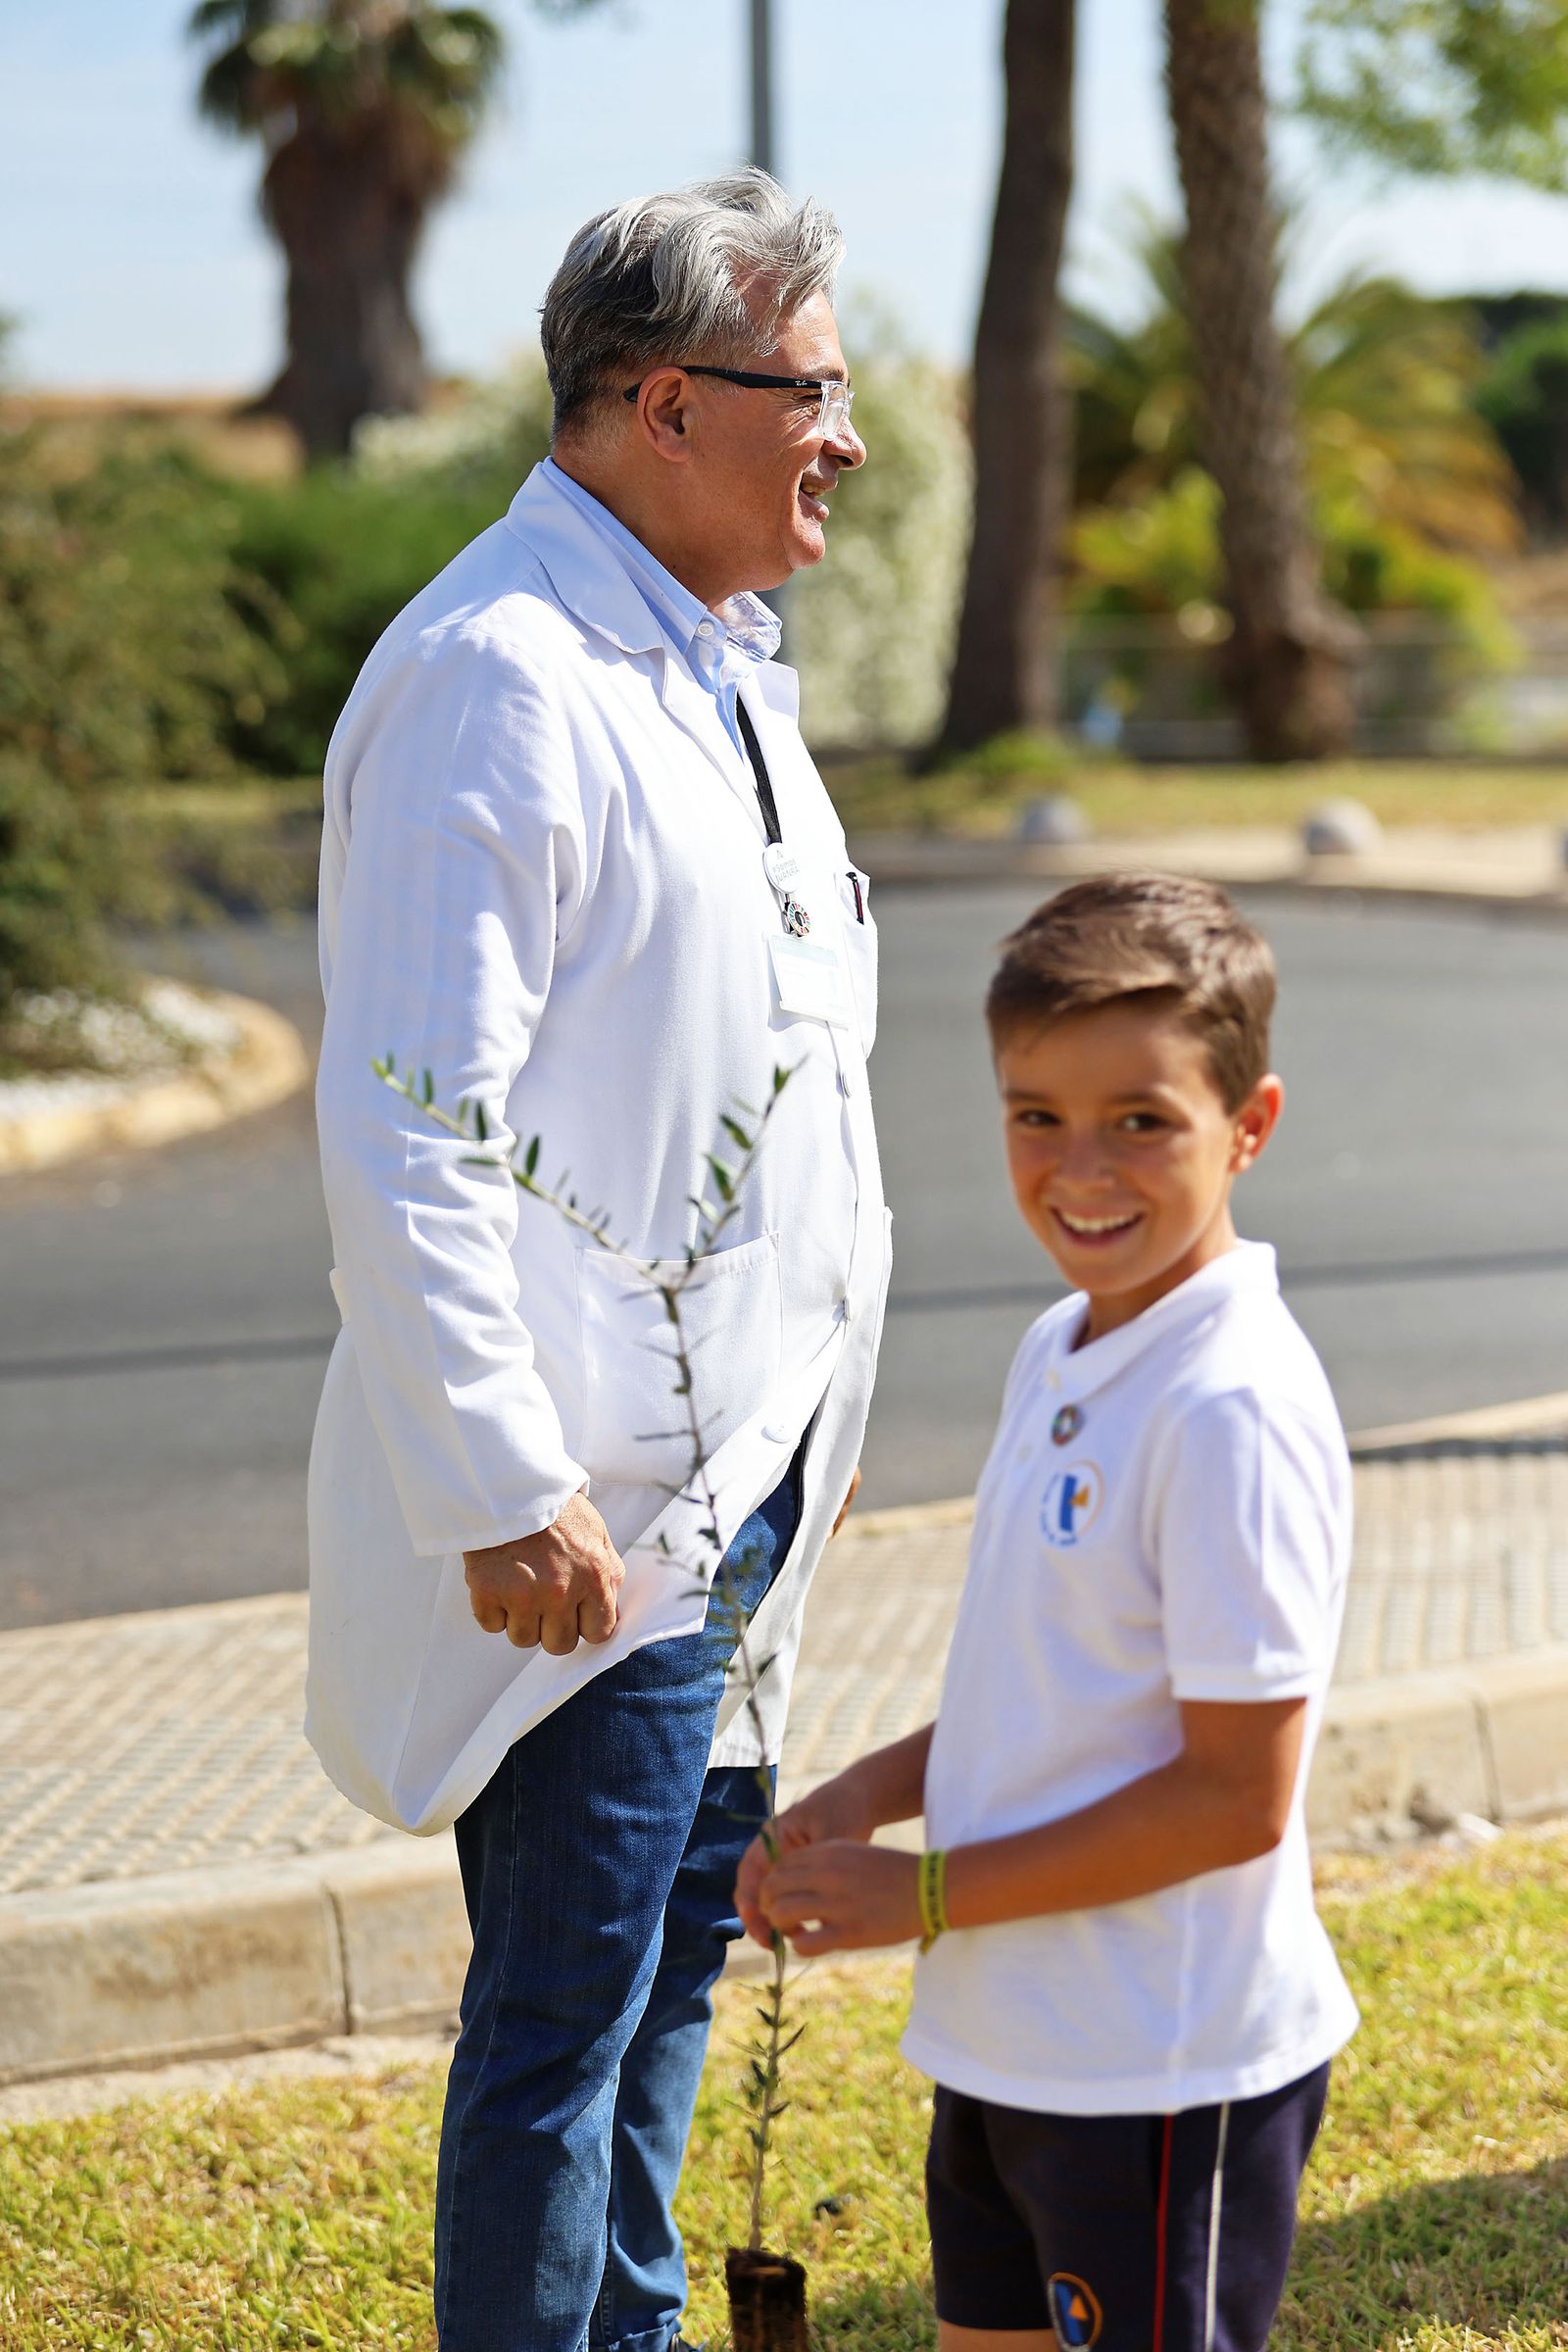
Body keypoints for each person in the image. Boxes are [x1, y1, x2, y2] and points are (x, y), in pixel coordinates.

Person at [306, 172, 892, 2352]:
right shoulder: (499, 677)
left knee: (664, 1990)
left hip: (732, 1486)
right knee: (562, 2027)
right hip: (592, 1522)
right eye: (812, 391)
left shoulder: (718, 661)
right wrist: (494, 1483)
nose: (840, 437)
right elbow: (403, 1124)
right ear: (666, 403)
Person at [740, 874, 1359, 2352]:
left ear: (1249, 1127)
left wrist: (929, 1897)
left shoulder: (1231, 1409)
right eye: (1037, 1115)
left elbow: (1232, 1799)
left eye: (1143, 1120)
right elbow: (1058, 1687)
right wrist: (861, 1799)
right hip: (1011, 2038)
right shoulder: (1065, 1345)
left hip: (1159, 2068)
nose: (1082, 1167)